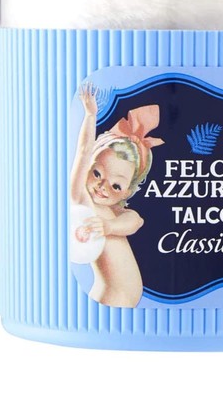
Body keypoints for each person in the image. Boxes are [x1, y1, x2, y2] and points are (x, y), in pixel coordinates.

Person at [70, 83, 164, 307]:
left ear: (127, 192)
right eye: (97, 173)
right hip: (110, 298)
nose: (103, 186)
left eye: (116, 186)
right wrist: (90, 115)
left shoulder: (113, 213)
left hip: (122, 301)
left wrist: (110, 226)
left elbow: (136, 221)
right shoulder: (82, 200)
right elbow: (83, 151)